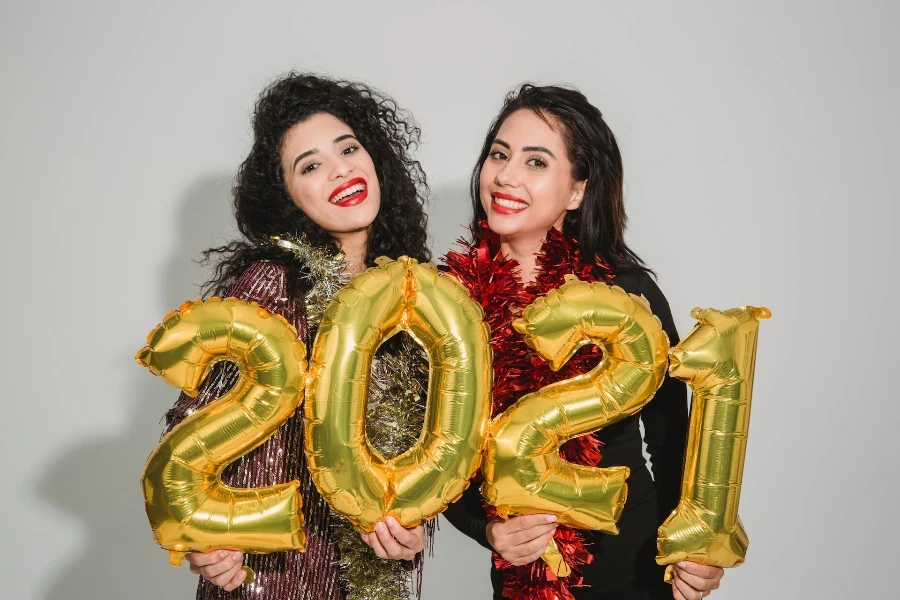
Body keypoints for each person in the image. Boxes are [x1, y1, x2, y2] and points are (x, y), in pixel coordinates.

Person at [442, 84, 725, 600]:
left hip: (632, 567)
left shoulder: (624, 292)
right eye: (499, 155)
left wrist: (694, 547)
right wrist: (487, 530)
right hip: (521, 578)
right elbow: (439, 454)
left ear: (576, 191)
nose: (506, 175)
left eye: (536, 162)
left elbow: (673, 438)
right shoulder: (449, 304)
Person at [162, 72, 433, 600]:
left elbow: (424, 448)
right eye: (311, 165)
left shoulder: (414, 300)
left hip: (370, 582)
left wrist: (412, 526)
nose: (341, 170)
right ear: (288, 197)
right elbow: (192, 423)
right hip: (275, 579)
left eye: (349, 148)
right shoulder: (273, 285)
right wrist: (206, 535)